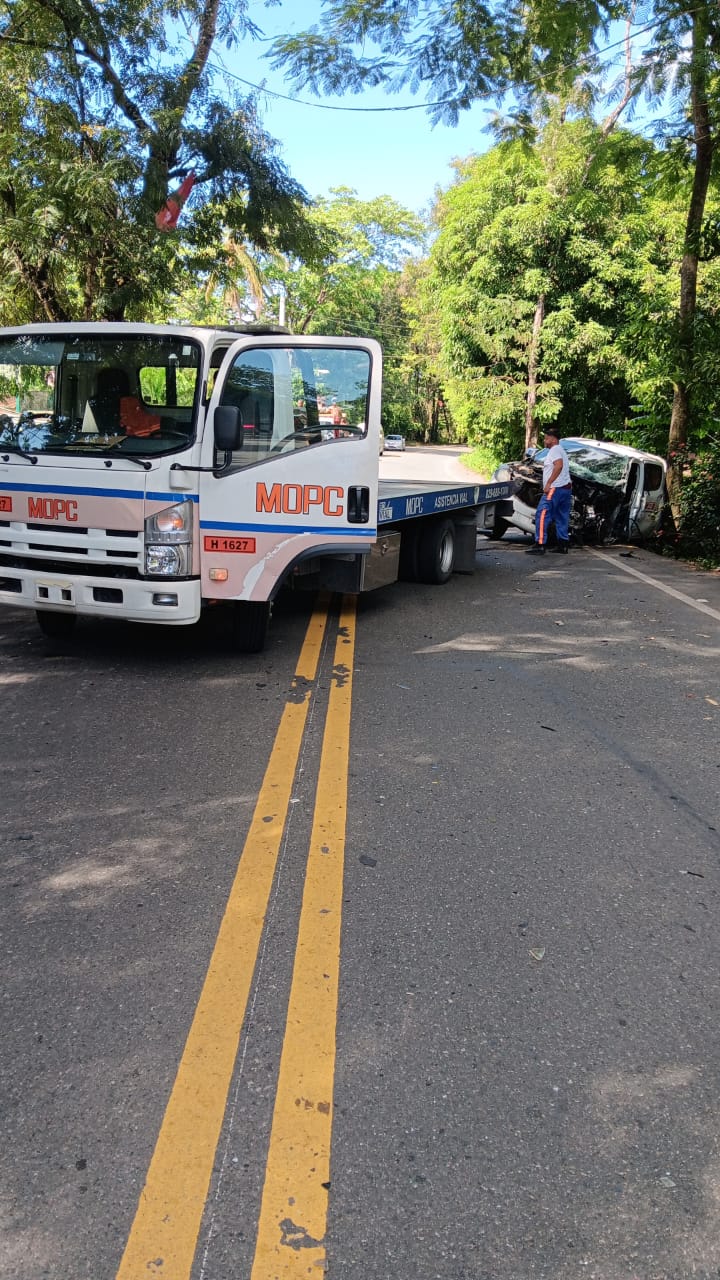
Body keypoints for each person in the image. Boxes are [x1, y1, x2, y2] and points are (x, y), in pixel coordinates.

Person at [526, 426, 572, 555]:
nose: (545, 441)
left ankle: (540, 544)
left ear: (552, 439)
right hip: (565, 488)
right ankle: (563, 544)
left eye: (546, 438)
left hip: (555, 489)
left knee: (542, 514)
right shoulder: (561, 450)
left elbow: (558, 465)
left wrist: (549, 483)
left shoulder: (555, 450)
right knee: (561, 516)